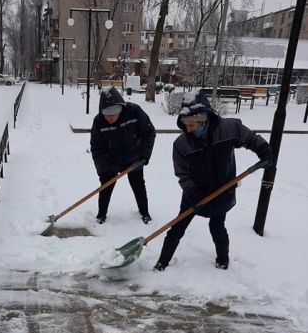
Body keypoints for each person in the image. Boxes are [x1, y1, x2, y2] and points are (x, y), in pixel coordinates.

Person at [154, 90, 273, 271]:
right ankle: (162, 262)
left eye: (192, 125)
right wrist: (193, 193)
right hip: (194, 192)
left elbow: (249, 138)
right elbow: (182, 174)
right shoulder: (181, 144)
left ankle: (223, 259)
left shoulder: (227, 129)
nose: (188, 129)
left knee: (217, 226)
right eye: (185, 125)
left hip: (222, 189)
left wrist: (263, 150)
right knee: (178, 226)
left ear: (204, 120)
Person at [90, 86, 156, 224]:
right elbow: (96, 147)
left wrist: (144, 156)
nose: (110, 118)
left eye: (113, 113)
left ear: (120, 108)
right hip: (111, 159)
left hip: (134, 157)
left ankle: (145, 212)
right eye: (106, 114)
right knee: (105, 186)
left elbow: (149, 133)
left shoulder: (134, 112)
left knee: (138, 185)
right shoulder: (98, 122)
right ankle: (101, 215)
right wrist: (103, 167)